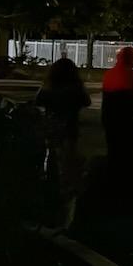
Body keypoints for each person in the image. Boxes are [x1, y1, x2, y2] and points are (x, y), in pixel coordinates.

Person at [35, 58, 91, 229]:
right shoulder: (75, 89)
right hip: (70, 129)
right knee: (68, 163)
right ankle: (66, 203)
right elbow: (86, 101)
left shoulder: (49, 87)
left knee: (52, 159)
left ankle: (52, 194)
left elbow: (38, 100)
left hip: (52, 129)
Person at [101, 47, 133, 179]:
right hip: (127, 122)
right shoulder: (130, 75)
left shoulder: (109, 74)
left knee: (113, 152)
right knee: (128, 154)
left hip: (110, 121)